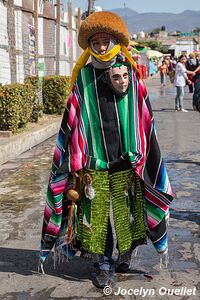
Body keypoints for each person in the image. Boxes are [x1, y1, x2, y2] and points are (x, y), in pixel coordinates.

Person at [39, 11, 174, 288]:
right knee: (95, 216)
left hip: (127, 160)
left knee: (128, 213)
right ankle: (102, 262)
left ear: (115, 42)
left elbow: (143, 116)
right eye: (96, 42)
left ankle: (123, 256)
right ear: (90, 44)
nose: (101, 47)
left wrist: (142, 150)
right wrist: (74, 155)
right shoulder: (83, 77)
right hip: (94, 161)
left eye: (106, 41)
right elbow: (72, 118)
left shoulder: (129, 74)